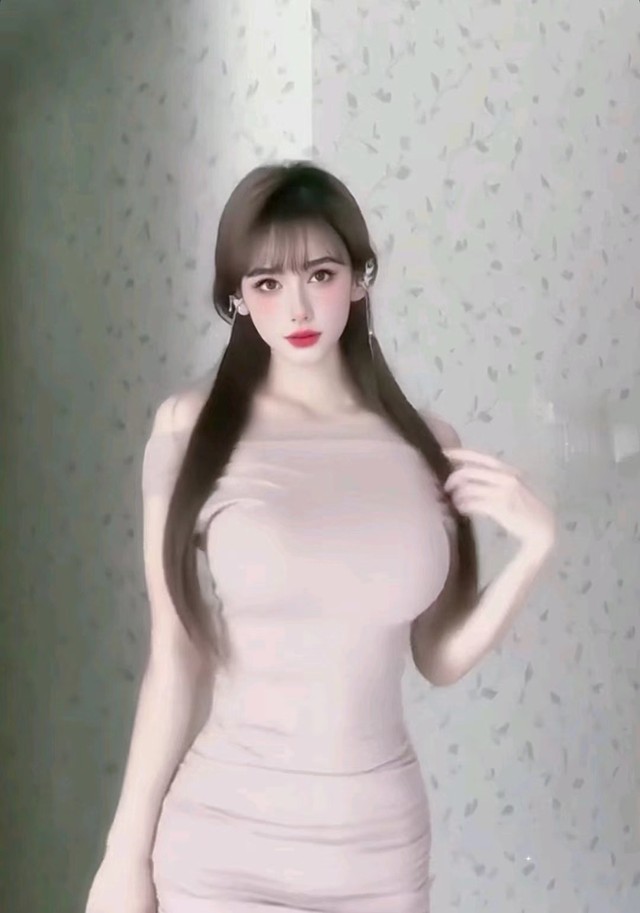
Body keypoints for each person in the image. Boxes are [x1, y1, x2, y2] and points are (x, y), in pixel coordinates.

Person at [84, 160, 555, 913]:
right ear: (238, 299)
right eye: (267, 283)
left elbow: (438, 657)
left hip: (378, 850)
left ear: (360, 280)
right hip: (224, 844)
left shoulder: (429, 444)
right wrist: (123, 856)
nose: (297, 305)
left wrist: (535, 549)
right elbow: (175, 659)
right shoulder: (189, 428)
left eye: (321, 274)